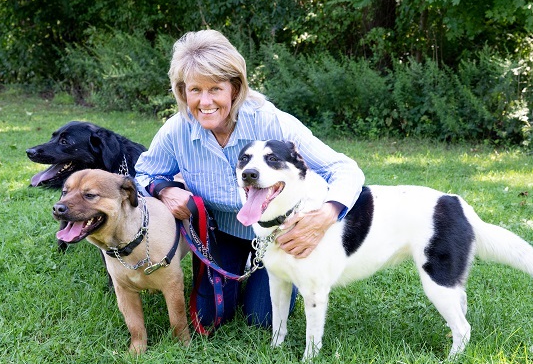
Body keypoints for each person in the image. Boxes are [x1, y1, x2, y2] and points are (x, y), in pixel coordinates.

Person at [135, 29, 365, 329]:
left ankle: (264, 275)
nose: (205, 102)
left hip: (277, 235)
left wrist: (325, 216)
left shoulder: (271, 121)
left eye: (215, 89)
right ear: (182, 92)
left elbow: (345, 169)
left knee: (261, 320)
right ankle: (236, 272)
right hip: (223, 233)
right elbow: (143, 173)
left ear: (234, 87)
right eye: (195, 90)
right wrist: (164, 189)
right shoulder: (176, 130)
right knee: (208, 318)